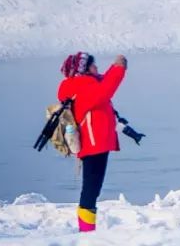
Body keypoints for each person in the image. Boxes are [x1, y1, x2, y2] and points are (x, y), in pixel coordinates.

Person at [57, 52, 127, 233]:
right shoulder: (83, 85)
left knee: (92, 188)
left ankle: (87, 230)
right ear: (84, 69)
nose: (97, 68)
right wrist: (119, 68)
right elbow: (106, 89)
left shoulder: (79, 84)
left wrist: (115, 67)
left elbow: (103, 82)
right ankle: (87, 232)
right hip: (93, 144)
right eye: (93, 65)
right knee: (91, 189)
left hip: (94, 144)